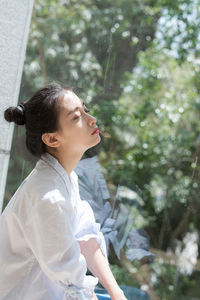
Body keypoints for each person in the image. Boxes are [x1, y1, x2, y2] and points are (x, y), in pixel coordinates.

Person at [0, 82, 127, 300]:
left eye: (85, 110)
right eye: (76, 117)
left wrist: (117, 294)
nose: (91, 119)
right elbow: (74, 286)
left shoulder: (65, 179)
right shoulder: (48, 197)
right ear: (52, 138)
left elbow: (86, 238)